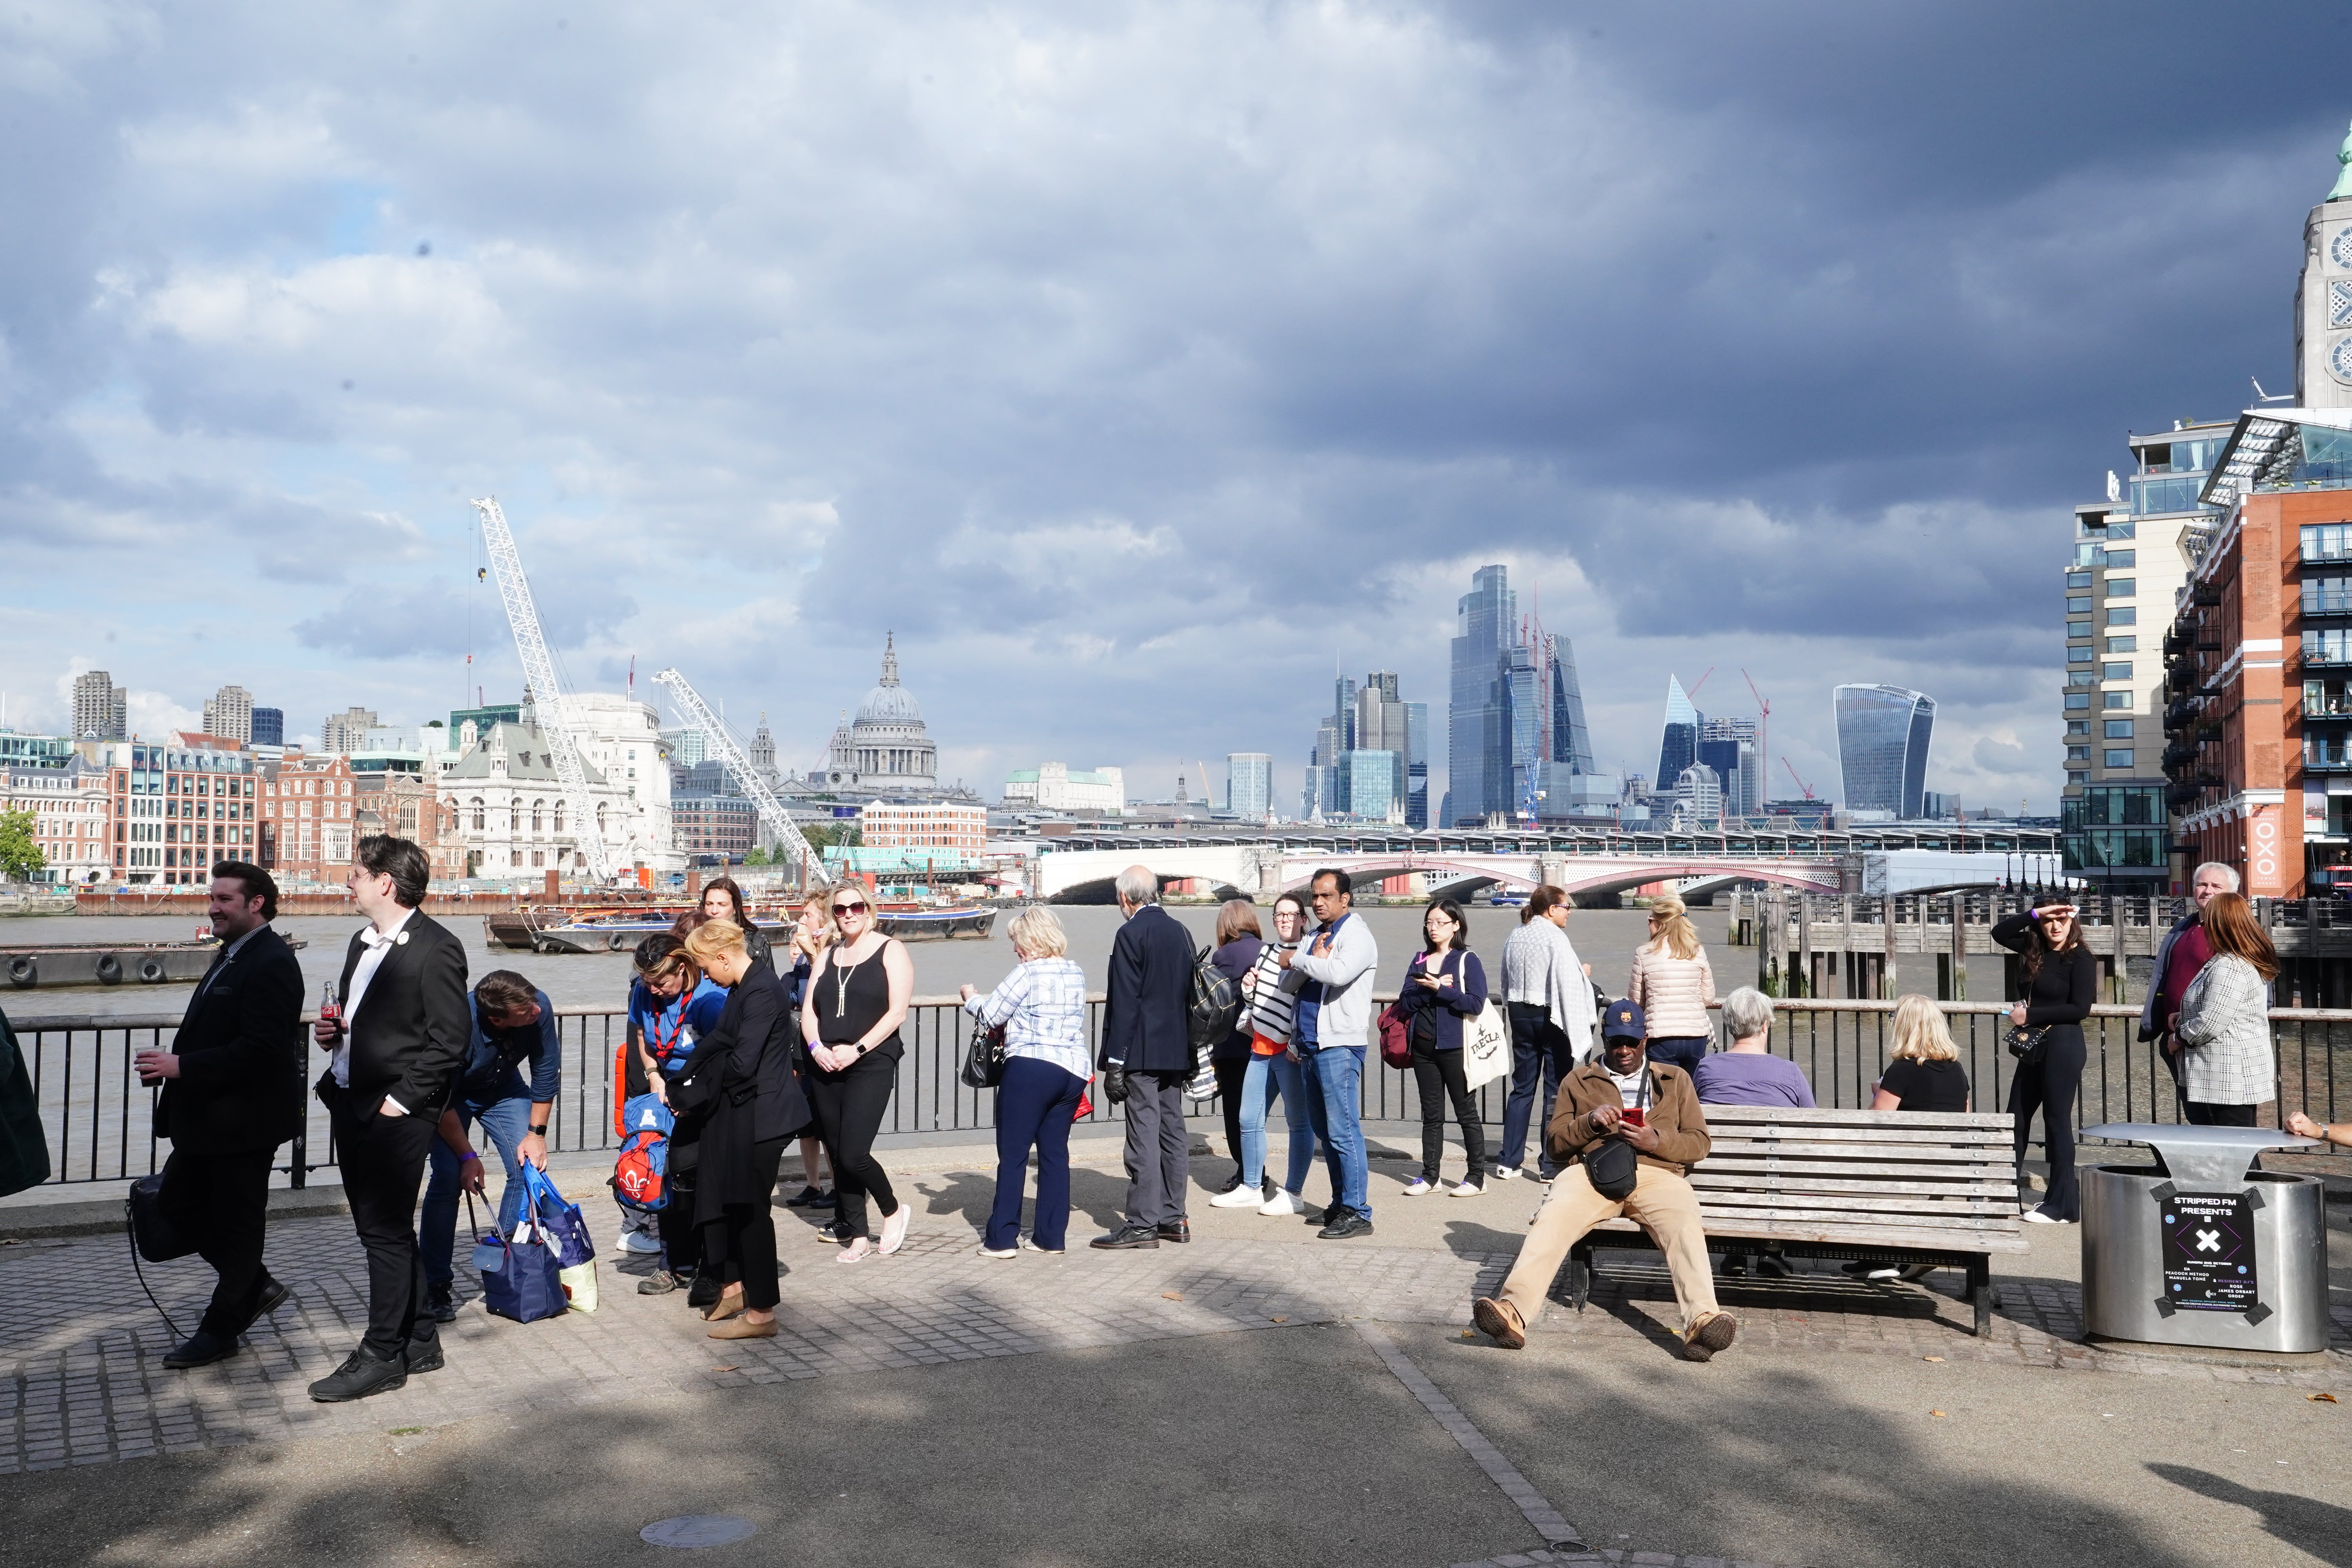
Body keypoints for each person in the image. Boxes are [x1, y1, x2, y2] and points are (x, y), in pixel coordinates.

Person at [1470, 999, 1739, 1363]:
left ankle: (1702, 1321)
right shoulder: (1578, 1080)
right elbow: (1554, 1147)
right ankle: (1512, 1313)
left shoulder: (1675, 1080)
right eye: (1616, 1042)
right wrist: (1590, 1123)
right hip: (1592, 1172)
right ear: (1603, 1038)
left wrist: (1655, 1141)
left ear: (1646, 1038)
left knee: (1682, 1221)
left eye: (1632, 1041)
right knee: (1553, 1216)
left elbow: (1699, 1143)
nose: (1624, 1051)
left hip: (1658, 1173)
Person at [307, 835, 470, 1403]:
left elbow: (451, 1042)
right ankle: (421, 1338)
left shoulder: (438, 948)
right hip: (353, 1100)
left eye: (356, 874)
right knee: (389, 1230)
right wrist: (337, 1034)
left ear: (386, 883)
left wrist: (401, 1101)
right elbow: (374, 1018)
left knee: (381, 1232)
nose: (347, 882)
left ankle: (381, 1355)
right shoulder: (361, 941)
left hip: (394, 1113)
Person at [132, 861, 303, 1369]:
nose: (213, 907)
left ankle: (221, 1326)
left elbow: (263, 1049)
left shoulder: (272, 960)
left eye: (225, 899)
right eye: (213, 898)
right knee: (177, 1205)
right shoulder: (234, 954)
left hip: (243, 1125)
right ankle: (253, 1285)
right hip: (208, 1122)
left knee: (240, 1225)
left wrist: (181, 1065)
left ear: (257, 904)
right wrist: (174, 1068)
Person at [676, 919, 808, 1339]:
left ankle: (763, 1313)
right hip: (742, 1112)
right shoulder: (742, 988)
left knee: (752, 1212)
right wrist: (684, 1075)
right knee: (727, 1203)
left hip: (764, 1116)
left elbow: (741, 1062)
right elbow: (721, 1042)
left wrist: (697, 1088)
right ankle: (734, 1287)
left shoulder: (762, 990)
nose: (705, 976)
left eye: (704, 966)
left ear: (722, 956)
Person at [417, 970, 561, 1323]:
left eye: (533, 1003)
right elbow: (439, 1098)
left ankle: (507, 1258)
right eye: (525, 1013)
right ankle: (434, 1285)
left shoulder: (537, 1005)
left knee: (527, 1166)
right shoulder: (457, 1026)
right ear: (497, 1019)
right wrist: (468, 1157)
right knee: (449, 1178)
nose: (536, 1012)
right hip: (453, 1097)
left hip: (503, 1087)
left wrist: (536, 1135)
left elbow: (546, 1073)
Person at [961, 906, 1091, 1255]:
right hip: (1072, 1070)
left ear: (1031, 941)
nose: (1014, 948)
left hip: (1031, 1069)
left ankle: (1002, 1239)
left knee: (1014, 1156)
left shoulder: (1027, 973)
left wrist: (970, 996)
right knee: (1054, 1155)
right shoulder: (1076, 971)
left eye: (1017, 941)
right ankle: (1051, 1238)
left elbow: (991, 1014)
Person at [799, 882, 916, 1262]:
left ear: (868, 909)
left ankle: (893, 1209)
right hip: (826, 1064)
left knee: (853, 1153)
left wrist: (858, 1049)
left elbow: (897, 1012)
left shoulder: (890, 950)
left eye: (855, 907)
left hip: (872, 1061)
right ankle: (859, 1235)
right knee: (835, 1150)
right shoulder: (827, 956)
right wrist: (817, 1048)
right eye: (840, 909)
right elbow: (809, 1013)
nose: (848, 914)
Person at [1092, 866, 1199, 1249]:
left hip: (1140, 1051)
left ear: (1126, 897)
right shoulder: (1181, 932)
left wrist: (1114, 1061)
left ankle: (1141, 1223)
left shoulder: (1130, 934)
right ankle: (1175, 1217)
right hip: (1177, 1049)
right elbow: (1192, 995)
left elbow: (1125, 1003)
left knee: (1142, 1135)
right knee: (1173, 1132)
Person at [1281, 868, 1380, 1239]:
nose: (1318, 902)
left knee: (1344, 1131)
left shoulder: (1358, 936)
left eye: (1326, 896)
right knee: (1325, 1131)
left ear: (1345, 899)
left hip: (1339, 1044)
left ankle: (1358, 1211)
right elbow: (1289, 982)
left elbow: (1337, 974)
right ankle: (1340, 1204)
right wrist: (1306, 959)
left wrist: (1302, 960)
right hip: (1310, 1044)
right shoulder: (1314, 936)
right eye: (1314, 896)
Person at [626, 933, 726, 1299]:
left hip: (705, 1094)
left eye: (661, 983)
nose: (653, 990)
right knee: (666, 1181)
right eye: (648, 983)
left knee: (700, 1184)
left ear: (683, 969)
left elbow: (724, 1056)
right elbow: (643, 1035)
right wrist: (653, 1074)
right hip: (667, 1092)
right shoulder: (645, 991)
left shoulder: (709, 999)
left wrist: (693, 1096)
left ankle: (710, 1269)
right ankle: (673, 1266)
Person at [1993, 902, 2095, 1226]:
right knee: (2016, 1119)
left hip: (2064, 1044)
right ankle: (2003, 1197)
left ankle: (2062, 1207)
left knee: (2056, 1121)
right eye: (2049, 921)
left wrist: (2029, 1016)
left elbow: (2081, 1009)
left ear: (2072, 921)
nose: (2055, 927)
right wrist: (2035, 914)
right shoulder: (2033, 948)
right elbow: (1999, 932)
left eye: (2062, 920)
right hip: (2036, 1045)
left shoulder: (2081, 958)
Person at [1496, 885, 1596, 1183]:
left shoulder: (1517, 933)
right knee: (1556, 1089)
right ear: (1552, 909)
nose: (1569, 914)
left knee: (1522, 1087)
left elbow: (1504, 974)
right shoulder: (1555, 938)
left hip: (1519, 1012)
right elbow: (1567, 981)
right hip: (1550, 1016)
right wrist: (1584, 975)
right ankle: (1550, 1163)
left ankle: (1508, 1161)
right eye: (1567, 907)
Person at [1232, 893, 1322, 1215]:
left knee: (1299, 1123)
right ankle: (1252, 1187)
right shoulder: (1266, 952)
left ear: (1303, 919)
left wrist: (1300, 1042)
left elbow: (1309, 1002)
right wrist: (1247, 986)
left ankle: (1294, 1193)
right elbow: (1253, 997)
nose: (1285, 920)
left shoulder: (1310, 954)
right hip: (1260, 1046)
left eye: (1291, 915)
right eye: (1279, 915)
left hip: (1290, 1052)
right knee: (1248, 1119)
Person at [1393, 898, 1490, 1196]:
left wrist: (1443, 990)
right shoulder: (1420, 960)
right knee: (1431, 1115)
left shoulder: (1466, 960)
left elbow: (1475, 1003)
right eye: (1429, 922)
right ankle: (1430, 1176)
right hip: (1423, 1048)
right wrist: (1428, 989)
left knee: (1466, 1114)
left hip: (1456, 1048)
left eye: (1440, 923)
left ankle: (1476, 1178)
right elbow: (1405, 1002)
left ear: (1456, 925)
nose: (1434, 928)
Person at [2171, 891, 2280, 1128]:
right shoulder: (2237, 959)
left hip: (2227, 1076)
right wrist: (2185, 1015)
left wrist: (2178, 1037)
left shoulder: (2230, 965)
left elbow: (2210, 1023)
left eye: (2208, 920)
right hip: (2231, 1074)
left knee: (2231, 1150)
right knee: (2237, 1148)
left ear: (2218, 924)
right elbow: (2226, 1009)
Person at [2141, 862, 2238, 1105]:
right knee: (2195, 1114)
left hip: (2213, 1045)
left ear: (2233, 894)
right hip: (2175, 1040)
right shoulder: (2181, 928)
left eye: (2217, 886)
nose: (2208, 890)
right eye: (2202, 884)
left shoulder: (2236, 933)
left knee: (2220, 1121)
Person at [1205, 900, 1265, 1201]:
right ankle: (1256, 1172)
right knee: (1255, 1114)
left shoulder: (1225, 955)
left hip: (1233, 1046)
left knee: (1235, 1113)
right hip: (1264, 1043)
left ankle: (1248, 1173)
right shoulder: (1267, 950)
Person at [780, 900, 838, 1213]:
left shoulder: (837, 955)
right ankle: (814, 1185)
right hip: (803, 1055)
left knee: (829, 1126)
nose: (801, 919)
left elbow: (825, 994)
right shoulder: (800, 968)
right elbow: (790, 998)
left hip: (828, 1054)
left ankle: (838, 1186)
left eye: (807, 914)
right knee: (808, 1126)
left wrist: (813, 952)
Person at [1628, 894, 1715, 1074]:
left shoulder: (1643, 953)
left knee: (1664, 1095)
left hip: (1661, 1037)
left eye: (1651, 919)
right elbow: (1708, 998)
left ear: (1661, 923)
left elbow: (1636, 1001)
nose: (1648, 923)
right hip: (1696, 1036)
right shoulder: (1697, 951)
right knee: (1689, 1094)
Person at [1693, 987, 1812, 1108]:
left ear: (1729, 1025)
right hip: (1773, 1128)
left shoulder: (1706, 1069)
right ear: (1765, 1026)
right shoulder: (1791, 1073)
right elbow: (1812, 1119)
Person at [1871, 995, 1972, 1113]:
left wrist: (1879, 1094)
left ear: (1903, 1028)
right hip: (1954, 1132)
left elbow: (1876, 1120)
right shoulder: (1956, 1069)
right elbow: (1966, 1114)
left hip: (1914, 1132)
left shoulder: (1901, 1070)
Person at [697, 875, 776, 971]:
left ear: (735, 908)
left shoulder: (756, 943)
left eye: (722, 905)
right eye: (709, 904)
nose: (714, 911)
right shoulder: (696, 939)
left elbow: (769, 984)